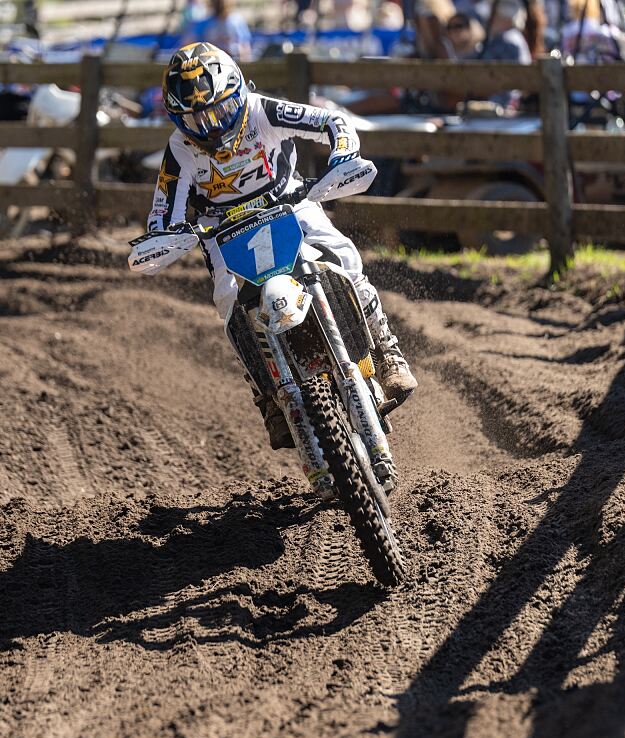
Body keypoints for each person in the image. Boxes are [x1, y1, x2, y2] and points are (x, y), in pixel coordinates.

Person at [135, 42, 418, 449]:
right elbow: (163, 209)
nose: (211, 125)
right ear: (178, 117)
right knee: (227, 300)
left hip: (289, 202)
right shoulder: (179, 149)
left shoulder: (262, 109)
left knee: (345, 258)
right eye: (197, 117)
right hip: (222, 228)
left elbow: (332, 121)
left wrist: (343, 156)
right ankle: (268, 398)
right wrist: (165, 236)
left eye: (219, 110)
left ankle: (388, 351)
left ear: (238, 93)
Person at [183, 0, 252, 61]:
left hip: (234, 60)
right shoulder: (206, 24)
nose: (221, 3)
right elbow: (188, 43)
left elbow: (245, 46)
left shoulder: (236, 21)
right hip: (211, 62)